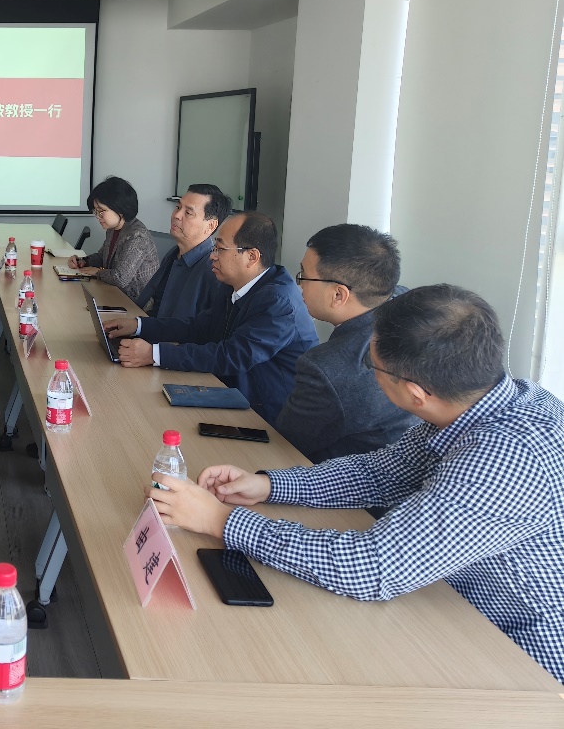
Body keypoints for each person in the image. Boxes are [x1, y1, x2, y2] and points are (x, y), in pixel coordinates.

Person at [148, 285, 564, 683]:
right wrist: (268, 485)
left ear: (416, 393)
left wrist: (222, 521)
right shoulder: (488, 402)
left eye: (374, 365)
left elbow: (372, 566)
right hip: (451, 602)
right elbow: (380, 472)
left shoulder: (506, 458)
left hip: (520, 659)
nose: (369, 372)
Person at [104, 211, 317, 423]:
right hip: (232, 394)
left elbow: (232, 356)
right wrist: (139, 326)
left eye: (220, 249)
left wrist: (153, 354)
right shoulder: (234, 284)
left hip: (266, 416)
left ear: (252, 257)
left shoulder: (278, 301)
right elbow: (198, 328)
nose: (212, 256)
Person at [274, 224, 415, 462]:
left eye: (303, 276)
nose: (299, 287)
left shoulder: (326, 367)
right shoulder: (411, 307)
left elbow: (287, 443)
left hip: (337, 476)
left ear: (339, 294)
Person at [131, 183, 230, 320]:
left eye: (188, 213)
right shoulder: (174, 254)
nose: (176, 215)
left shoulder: (213, 269)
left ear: (211, 225)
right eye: (178, 207)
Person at [67, 176, 161, 304]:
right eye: (96, 211)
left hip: (136, 304)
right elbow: (102, 257)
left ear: (120, 209)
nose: (97, 216)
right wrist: (83, 261)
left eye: (101, 211)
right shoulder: (113, 229)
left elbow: (120, 278)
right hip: (114, 293)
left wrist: (98, 272)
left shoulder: (137, 236)